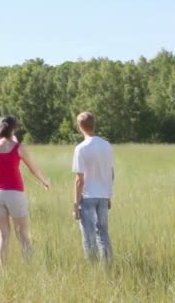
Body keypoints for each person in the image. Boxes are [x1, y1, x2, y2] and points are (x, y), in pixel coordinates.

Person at [0, 115, 50, 267]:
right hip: (15, 193)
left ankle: (3, 271)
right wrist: (44, 182)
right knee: (23, 235)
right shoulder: (18, 148)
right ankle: (29, 267)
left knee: (3, 235)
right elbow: (33, 169)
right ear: (14, 129)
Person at [72, 112, 114, 263]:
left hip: (88, 196)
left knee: (88, 236)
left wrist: (76, 204)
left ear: (79, 127)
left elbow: (79, 180)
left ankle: (92, 267)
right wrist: (108, 194)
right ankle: (108, 264)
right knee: (103, 233)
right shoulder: (106, 145)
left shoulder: (81, 148)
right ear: (94, 125)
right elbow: (111, 173)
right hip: (103, 195)